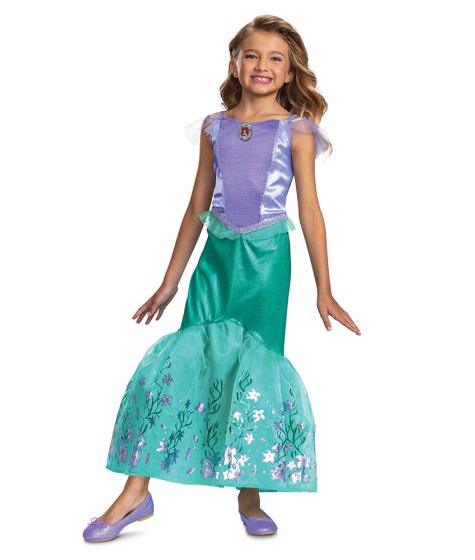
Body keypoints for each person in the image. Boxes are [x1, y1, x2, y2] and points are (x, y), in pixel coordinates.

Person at [83, 14, 360, 542]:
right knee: (182, 364)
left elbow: (310, 210)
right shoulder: (215, 127)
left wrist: (324, 289)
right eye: (252, 55)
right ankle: (136, 492)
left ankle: (249, 493)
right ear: (235, 63)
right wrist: (170, 281)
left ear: (289, 72)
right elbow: (196, 205)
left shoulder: (297, 131)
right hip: (216, 259)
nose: (262, 65)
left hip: (267, 263)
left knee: (251, 372)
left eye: (275, 58)